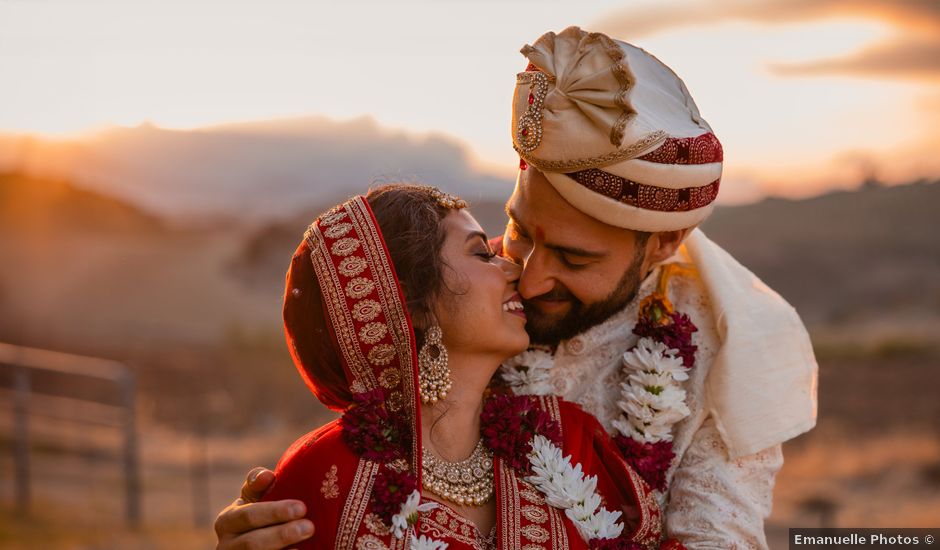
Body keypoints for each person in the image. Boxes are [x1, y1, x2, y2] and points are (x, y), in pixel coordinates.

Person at [215, 26, 818, 549]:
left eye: (572, 257)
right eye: (517, 233)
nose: (526, 276)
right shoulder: (456, 309)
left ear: (663, 244)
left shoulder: (732, 350)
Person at [244, 184, 681, 549]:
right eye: (481, 255)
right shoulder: (326, 475)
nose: (513, 268)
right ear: (411, 304)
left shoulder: (566, 438)